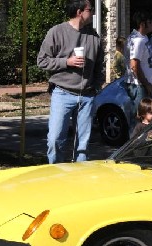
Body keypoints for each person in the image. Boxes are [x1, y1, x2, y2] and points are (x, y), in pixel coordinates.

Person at [37, 0, 104, 164]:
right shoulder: (56, 32)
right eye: (90, 9)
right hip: (62, 93)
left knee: (83, 145)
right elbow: (42, 61)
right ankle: (55, 174)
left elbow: (99, 67)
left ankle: (79, 179)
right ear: (80, 11)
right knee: (55, 140)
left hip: (87, 96)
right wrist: (67, 62)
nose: (93, 12)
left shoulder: (94, 36)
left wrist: (95, 87)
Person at [124, 11, 152, 134]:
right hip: (139, 85)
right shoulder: (138, 40)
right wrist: (147, 84)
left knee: (143, 119)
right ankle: (134, 149)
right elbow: (134, 65)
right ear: (142, 24)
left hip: (140, 84)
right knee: (140, 119)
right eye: (150, 22)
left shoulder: (140, 38)